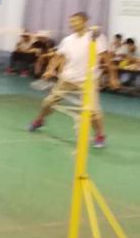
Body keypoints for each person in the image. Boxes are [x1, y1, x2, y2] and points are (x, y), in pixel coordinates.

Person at [28, 12, 118, 148]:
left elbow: (107, 59)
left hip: (89, 80)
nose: (72, 24)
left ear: (85, 21)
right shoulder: (67, 40)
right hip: (68, 79)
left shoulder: (96, 38)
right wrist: (50, 70)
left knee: (93, 110)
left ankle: (100, 136)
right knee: (48, 102)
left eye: (75, 21)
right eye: (71, 21)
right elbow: (58, 57)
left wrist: (113, 77)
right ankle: (39, 120)